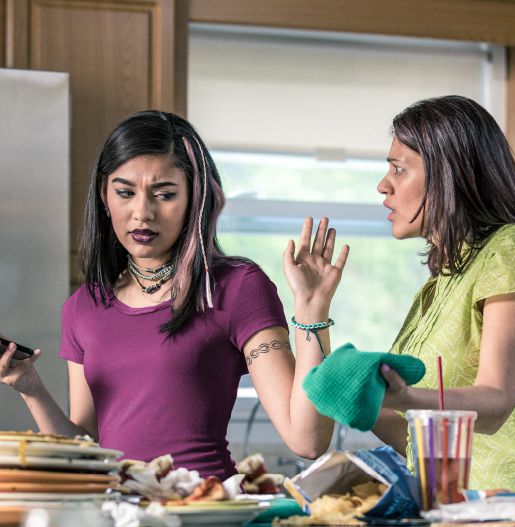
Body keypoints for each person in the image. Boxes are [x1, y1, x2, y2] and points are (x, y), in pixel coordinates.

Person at [0, 111, 348, 478]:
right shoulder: (84, 307)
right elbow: (86, 451)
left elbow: (307, 440)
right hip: (116, 509)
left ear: (194, 198)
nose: (142, 213)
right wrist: (31, 389)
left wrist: (312, 308)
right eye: (125, 192)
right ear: (104, 194)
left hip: (205, 505)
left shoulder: (236, 287)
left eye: (165, 194)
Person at [367, 95, 515, 492]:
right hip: (459, 507)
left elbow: (496, 402)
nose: (384, 185)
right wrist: (349, 385)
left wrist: (404, 397)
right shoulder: (442, 281)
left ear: (447, 173)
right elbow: (412, 437)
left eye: (399, 169)